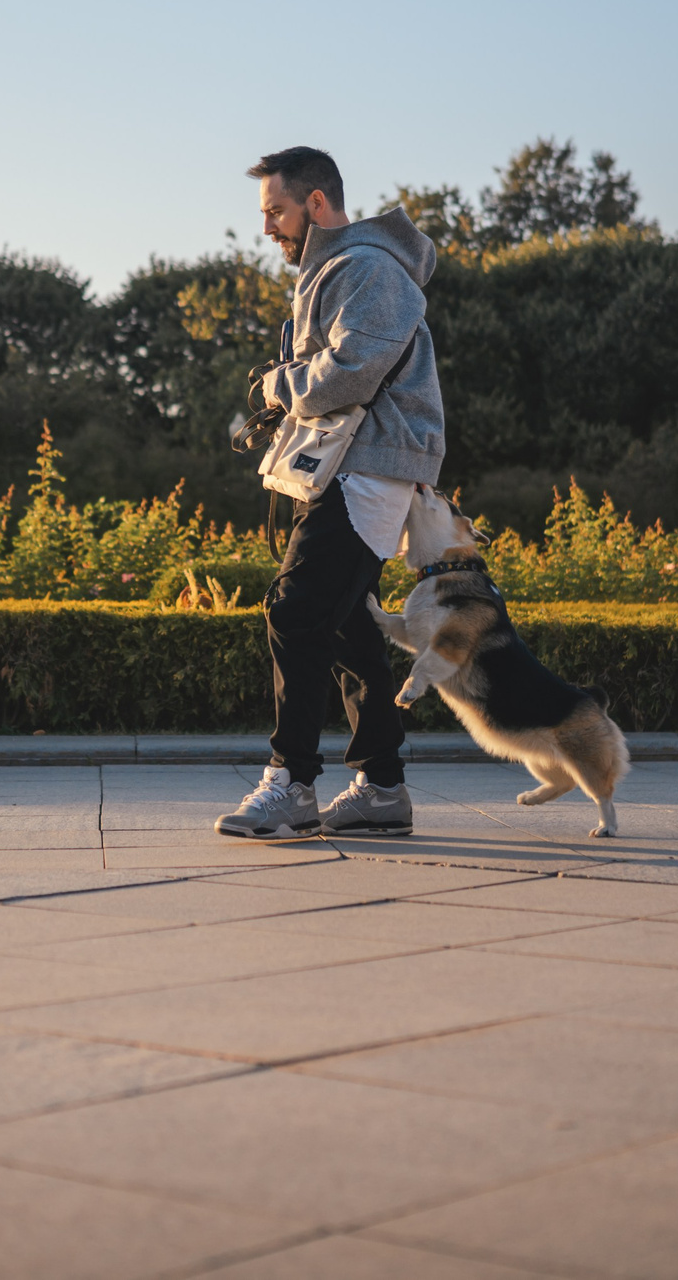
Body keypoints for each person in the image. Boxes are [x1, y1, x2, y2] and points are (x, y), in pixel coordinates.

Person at [216, 147, 445, 839]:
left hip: (369, 466)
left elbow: (349, 372)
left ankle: (291, 783)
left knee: (295, 608)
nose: (268, 229)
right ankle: (381, 789)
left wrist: (274, 386)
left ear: (317, 204)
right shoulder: (339, 271)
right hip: (348, 464)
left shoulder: (368, 268)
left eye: (276, 212)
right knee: (346, 628)